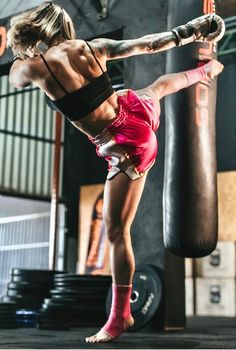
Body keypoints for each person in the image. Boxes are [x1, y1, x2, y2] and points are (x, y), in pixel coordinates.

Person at [7, 1, 225, 343]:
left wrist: (18, 50)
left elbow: (14, 78)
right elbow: (151, 43)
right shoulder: (95, 48)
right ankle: (205, 72)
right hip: (134, 113)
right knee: (155, 89)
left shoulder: (36, 67)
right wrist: (190, 31)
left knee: (116, 232)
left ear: (37, 30)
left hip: (124, 144)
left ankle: (119, 316)